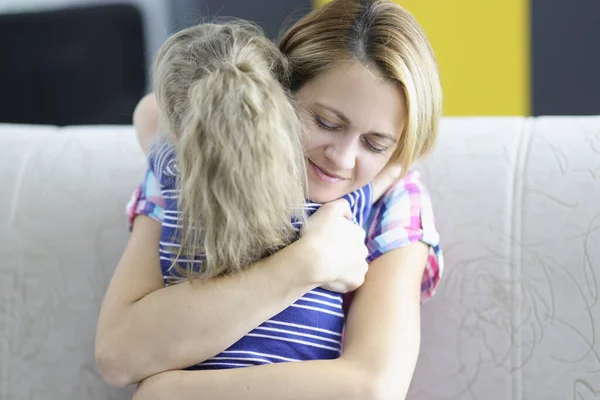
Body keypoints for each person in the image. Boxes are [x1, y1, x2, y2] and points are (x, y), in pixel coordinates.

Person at [95, 0, 443, 398]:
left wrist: (172, 392)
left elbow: (372, 387)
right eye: (326, 122)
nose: (343, 158)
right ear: (279, 94)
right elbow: (120, 354)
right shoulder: (199, 166)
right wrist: (309, 260)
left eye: (375, 144)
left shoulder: (393, 200)